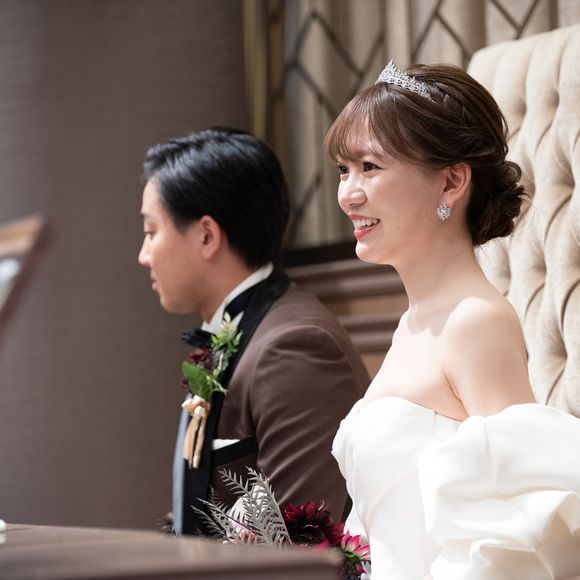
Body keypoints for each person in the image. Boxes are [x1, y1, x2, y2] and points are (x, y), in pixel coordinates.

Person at [327, 61, 580, 579]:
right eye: (343, 170)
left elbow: (520, 527)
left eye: (370, 167)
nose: (348, 193)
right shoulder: (412, 325)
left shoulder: (474, 323)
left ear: (450, 182)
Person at [138, 127, 369, 536]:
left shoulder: (294, 348)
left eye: (151, 231)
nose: (144, 255)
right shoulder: (241, 328)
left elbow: (293, 543)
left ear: (207, 236)